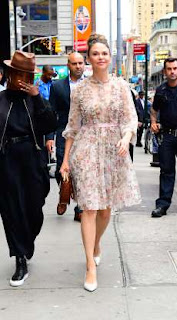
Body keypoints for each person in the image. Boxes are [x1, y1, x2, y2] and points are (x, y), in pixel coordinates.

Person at [60, 33, 141, 292]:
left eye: (104, 53)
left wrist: (126, 137)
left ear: (109, 57)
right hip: (86, 150)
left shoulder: (121, 86)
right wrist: (65, 162)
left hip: (113, 153)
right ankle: (89, 266)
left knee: (106, 211)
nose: (100, 57)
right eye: (95, 54)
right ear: (89, 59)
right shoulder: (80, 90)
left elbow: (130, 119)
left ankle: (96, 244)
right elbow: (72, 127)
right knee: (89, 209)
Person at [0, 50, 57, 286]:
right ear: (10, 74)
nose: (24, 79)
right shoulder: (1, 100)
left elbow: (51, 123)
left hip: (33, 158)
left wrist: (37, 98)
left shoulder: (35, 99)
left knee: (35, 208)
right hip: (7, 159)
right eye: (19, 74)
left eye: (27, 75)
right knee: (12, 209)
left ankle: (27, 240)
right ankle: (20, 257)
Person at [46, 51, 85, 221]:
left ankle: (79, 207)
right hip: (63, 133)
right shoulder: (57, 86)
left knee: (82, 171)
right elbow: (52, 112)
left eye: (80, 63)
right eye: (74, 63)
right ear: (68, 65)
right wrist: (49, 136)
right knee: (62, 170)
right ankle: (65, 192)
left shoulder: (91, 84)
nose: (78, 66)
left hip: (85, 134)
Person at [151, 57, 177, 218]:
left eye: (175, 68)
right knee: (166, 170)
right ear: (165, 71)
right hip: (167, 135)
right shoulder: (161, 90)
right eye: (169, 69)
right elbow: (154, 110)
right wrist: (153, 122)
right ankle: (163, 205)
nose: (172, 72)